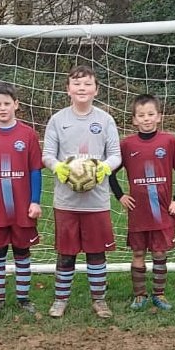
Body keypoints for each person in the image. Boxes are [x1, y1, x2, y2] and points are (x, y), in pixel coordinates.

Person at [42, 65, 122, 319]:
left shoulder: (105, 119)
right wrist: (60, 168)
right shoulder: (58, 120)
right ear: (68, 90)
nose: (82, 88)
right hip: (66, 201)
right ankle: (60, 299)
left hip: (96, 201)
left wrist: (103, 169)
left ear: (96, 90)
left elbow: (116, 155)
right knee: (66, 253)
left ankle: (99, 300)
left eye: (87, 84)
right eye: (76, 84)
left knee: (96, 253)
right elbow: (47, 155)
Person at [109, 94, 175, 311]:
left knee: (160, 253)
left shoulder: (168, 141)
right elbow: (110, 173)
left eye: (151, 114)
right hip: (139, 211)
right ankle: (139, 295)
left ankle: (159, 294)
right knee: (138, 253)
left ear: (159, 117)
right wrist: (120, 195)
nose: (146, 119)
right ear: (134, 120)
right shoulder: (126, 144)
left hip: (162, 209)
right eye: (141, 115)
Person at [0, 82, 44, 314]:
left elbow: (35, 170)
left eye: (7, 103)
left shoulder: (28, 134)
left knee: (22, 251)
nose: (2, 108)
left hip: (22, 207)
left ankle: (24, 298)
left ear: (16, 105)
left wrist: (35, 200)